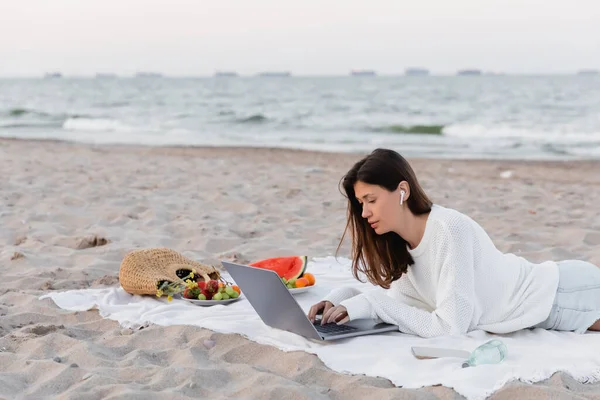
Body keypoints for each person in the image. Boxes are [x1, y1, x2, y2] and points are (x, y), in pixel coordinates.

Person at [307, 148, 600, 338]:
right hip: (550, 299)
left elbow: (450, 327)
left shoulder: (448, 228)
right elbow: (400, 302)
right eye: (360, 203)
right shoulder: (399, 243)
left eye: (371, 200)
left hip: (564, 295)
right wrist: (341, 299)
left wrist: (371, 303)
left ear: (402, 191)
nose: (365, 212)